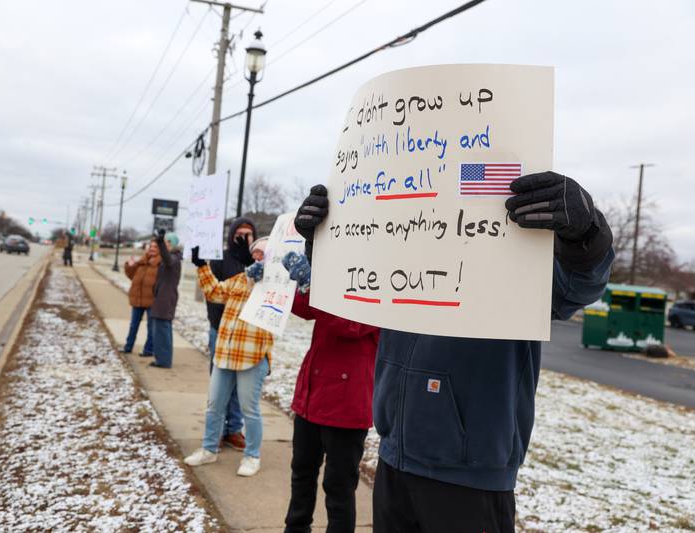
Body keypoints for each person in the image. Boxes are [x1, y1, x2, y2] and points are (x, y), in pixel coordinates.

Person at [294, 172, 614, 533]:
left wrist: (587, 234)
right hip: (393, 455)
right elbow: (349, 300)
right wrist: (324, 247)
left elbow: (573, 288)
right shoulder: (398, 239)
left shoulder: (511, 240)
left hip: (470, 476)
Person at [275, 251, 380, 533]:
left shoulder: (383, 280)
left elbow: (350, 324)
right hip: (313, 395)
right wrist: (286, 282)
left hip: (347, 404)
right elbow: (304, 308)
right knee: (302, 475)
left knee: (339, 487)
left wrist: (314, 285)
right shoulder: (340, 270)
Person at [184, 236, 273, 477]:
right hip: (224, 354)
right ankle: (209, 449)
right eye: (254, 252)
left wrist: (263, 278)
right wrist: (202, 265)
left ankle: (252, 456)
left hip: (252, 357)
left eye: (262, 253)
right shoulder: (238, 280)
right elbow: (213, 292)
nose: (257, 256)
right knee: (214, 405)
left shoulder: (274, 287)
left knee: (249, 409)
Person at [204, 218, 258, 452]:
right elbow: (213, 291)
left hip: (248, 335)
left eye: (248, 234)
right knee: (219, 387)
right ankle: (215, 433)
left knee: (240, 390)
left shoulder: (259, 261)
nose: (244, 238)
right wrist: (217, 323)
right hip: (222, 330)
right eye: (240, 234)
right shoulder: (221, 258)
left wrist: (250, 261)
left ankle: (233, 430)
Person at [148, 231, 183, 368]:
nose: (166, 244)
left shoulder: (174, 258)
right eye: (165, 242)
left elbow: (167, 260)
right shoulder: (172, 257)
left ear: (173, 244)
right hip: (162, 298)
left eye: (168, 242)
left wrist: (161, 243)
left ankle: (163, 360)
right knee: (160, 331)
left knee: (162, 332)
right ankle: (161, 359)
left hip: (165, 300)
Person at [122, 241, 160, 356]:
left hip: (151, 300)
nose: (152, 248)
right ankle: (128, 347)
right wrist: (130, 265)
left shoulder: (160, 264)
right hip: (138, 298)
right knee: (133, 324)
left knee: (151, 327)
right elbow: (131, 275)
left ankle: (148, 350)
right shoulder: (142, 260)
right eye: (151, 246)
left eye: (155, 247)